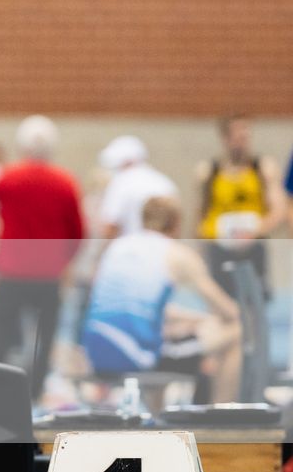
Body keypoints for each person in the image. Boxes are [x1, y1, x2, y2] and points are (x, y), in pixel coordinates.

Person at [0, 115, 86, 403]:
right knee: (43, 340)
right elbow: (78, 233)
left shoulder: (10, 177)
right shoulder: (65, 183)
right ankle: (34, 392)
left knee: (0, 334)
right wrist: (61, 262)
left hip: (13, 273)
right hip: (48, 276)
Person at [80, 197, 242, 404]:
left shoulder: (117, 247)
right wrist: (212, 319)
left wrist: (194, 319)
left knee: (161, 341)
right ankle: (222, 419)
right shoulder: (177, 253)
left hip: (95, 354)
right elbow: (228, 312)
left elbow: (139, 305)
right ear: (176, 224)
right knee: (239, 329)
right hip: (139, 357)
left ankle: (158, 423)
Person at [195, 115, 283, 303]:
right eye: (237, 137)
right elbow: (200, 216)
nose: (242, 142)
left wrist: (253, 231)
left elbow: (278, 210)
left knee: (254, 306)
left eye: (246, 137)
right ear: (225, 138)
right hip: (219, 249)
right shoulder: (208, 171)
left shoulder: (263, 169)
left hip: (252, 249)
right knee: (223, 307)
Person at [95, 135, 177, 242]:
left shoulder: (121, 183)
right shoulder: (165, 183)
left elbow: (110, 224)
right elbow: (174, 226)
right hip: (164, 251)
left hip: (130, 251)